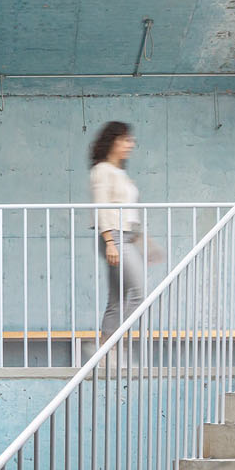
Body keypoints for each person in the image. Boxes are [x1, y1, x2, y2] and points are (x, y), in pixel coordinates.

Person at [89, 121, 158, 349]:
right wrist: (110, 242)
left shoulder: (120, 173)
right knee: (139, 295)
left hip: (126, 237)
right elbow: (101, 207)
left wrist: (144, 243)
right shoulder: (102, 170)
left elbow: (130, 214)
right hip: (114, 237)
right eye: (126, 140)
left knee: (117, 300)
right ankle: (108, 347)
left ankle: (104, 351)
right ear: (113, 141)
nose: (131, 144)